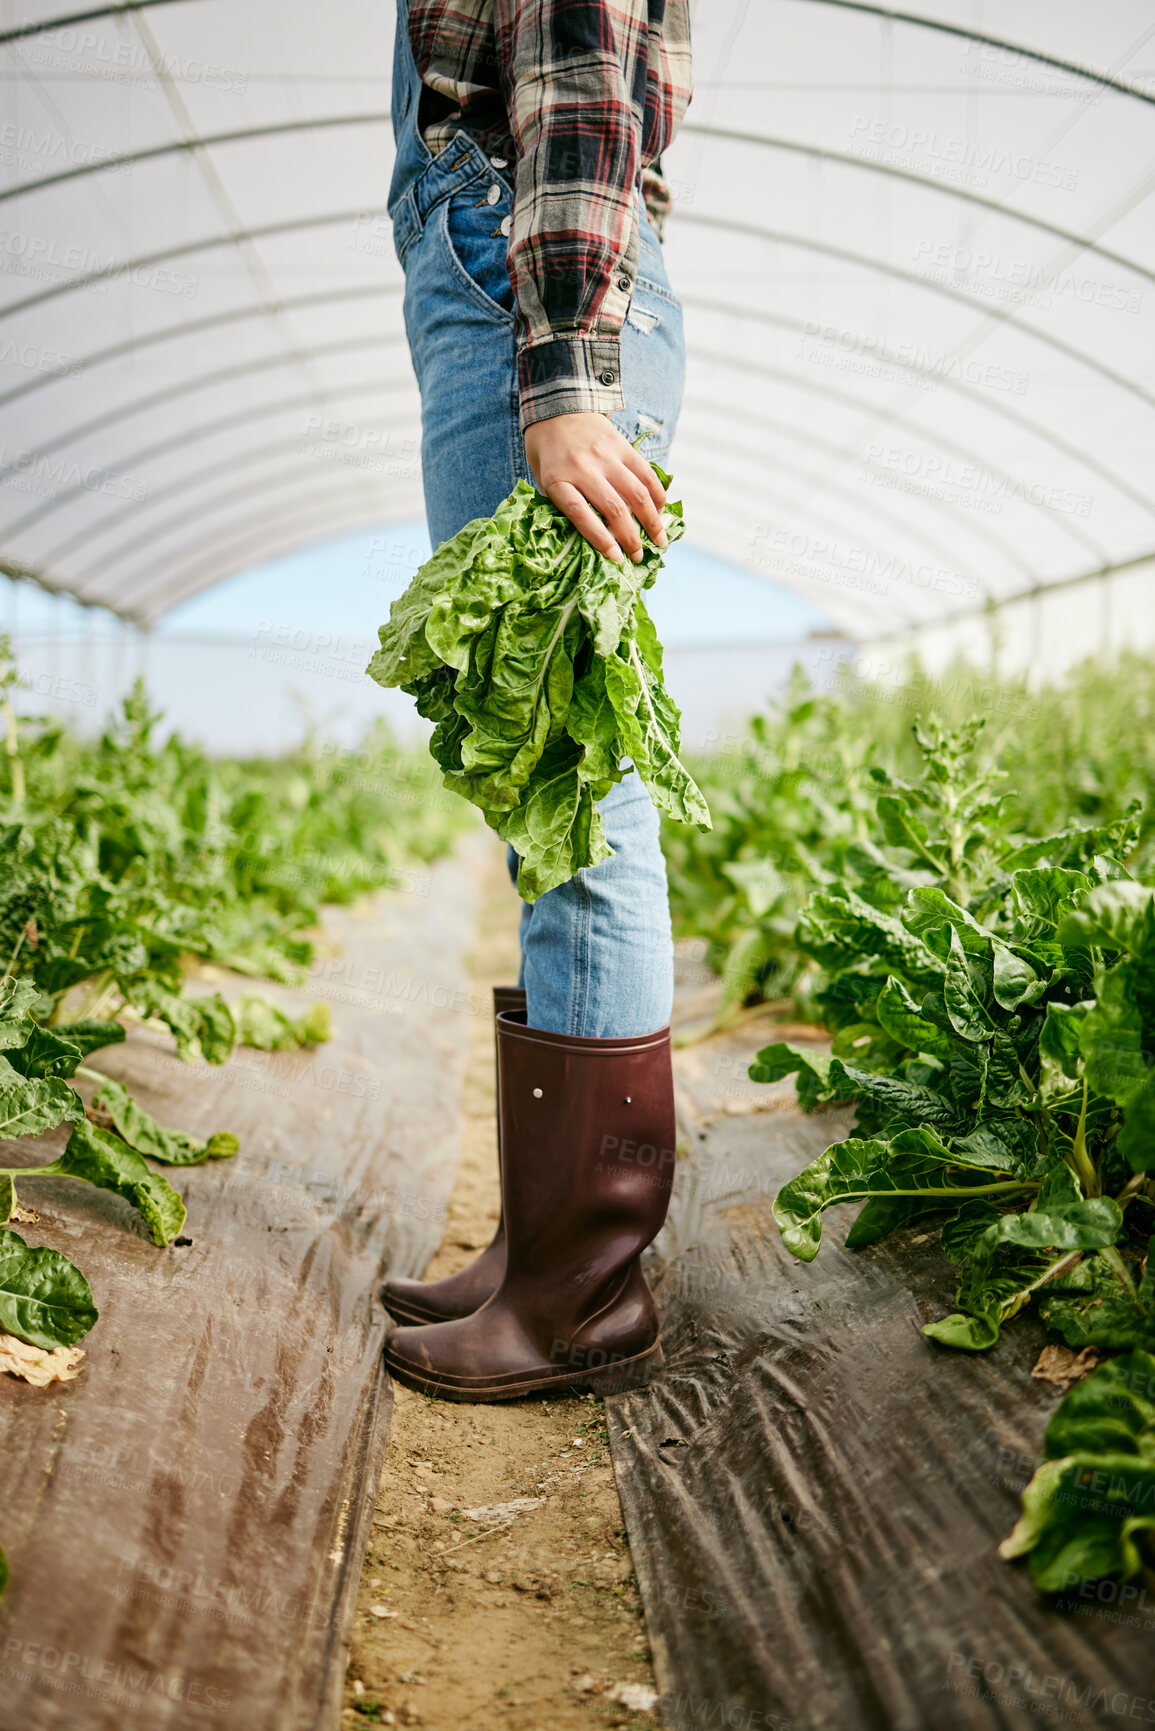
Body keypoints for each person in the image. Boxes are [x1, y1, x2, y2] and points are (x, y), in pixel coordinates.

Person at [381, 0, 692, 1402]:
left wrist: (565, 364)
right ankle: (543, 1253)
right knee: (541, 777)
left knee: (578, 777)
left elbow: (577, 48)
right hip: (500, 265)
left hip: (533, 280)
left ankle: (583, 1293)